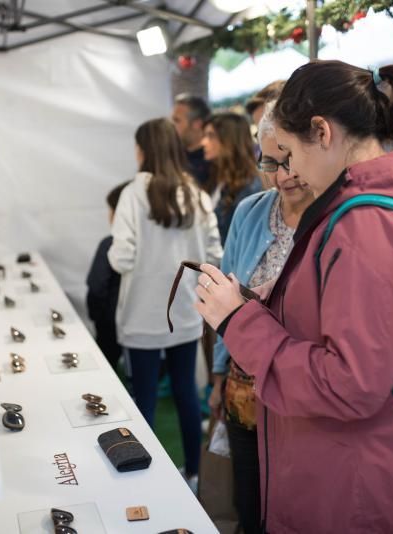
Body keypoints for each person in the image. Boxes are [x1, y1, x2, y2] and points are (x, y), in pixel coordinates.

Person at [194, 60, 393, 533]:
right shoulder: (370, 208)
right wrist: (277, 302)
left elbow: (352, 383)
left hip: (350, 481)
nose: (288, 172)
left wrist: (239, 321)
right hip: (355, 464)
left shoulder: (366, 224)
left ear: (321, 132)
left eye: (287, 152)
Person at [208, 102, 314, 534]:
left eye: (289, 161)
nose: (282, 175)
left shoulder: (336, 216)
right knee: (249, 502)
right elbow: (224, 295)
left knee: (297, 504)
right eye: (270, 162)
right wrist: (218, 373)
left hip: (301, 390)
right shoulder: (251, 211)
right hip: (244, 387)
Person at [108, 118, 222, 488]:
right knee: (186, 393)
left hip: (141, 313)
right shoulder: (196, 193)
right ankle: (193, 474)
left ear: (144, 149)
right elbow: (214, 255)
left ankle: (145, 483)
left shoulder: (131, 194)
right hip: (186, 311)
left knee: (144, 401)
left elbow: (122, 259)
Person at [86, 181, 129, 371]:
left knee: (105, 367)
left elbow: (96, 286)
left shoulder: (109, 244)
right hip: (134, 323)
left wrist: (95, 315)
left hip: (108, 322)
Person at [201, 112, 264, 244]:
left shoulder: (250, 187)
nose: (203, 142)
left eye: (211, 136)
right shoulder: (215, 179)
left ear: (230, 140)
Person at [171, 93, 211, 188]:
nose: (171, 126)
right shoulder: (173, 157)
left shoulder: (213, 163)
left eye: (177, 120)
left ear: (197, 124)